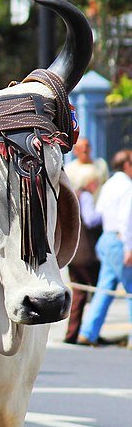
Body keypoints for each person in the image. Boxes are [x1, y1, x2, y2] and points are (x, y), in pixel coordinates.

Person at [78, 149, 132, 347]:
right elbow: (127, 220)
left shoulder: (108, 185)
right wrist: (129, 247)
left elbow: (99, 211)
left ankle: (88, 332)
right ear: (126, 165)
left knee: (104, 289)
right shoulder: (127, 186)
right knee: (130, 290)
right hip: (120, 239)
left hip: (107, 238)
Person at [63, 167, 103, 344]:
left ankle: (72, 333)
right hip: (86, 254)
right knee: (98, 292)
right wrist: (105, 214)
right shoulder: (85, 196)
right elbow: (90, 219)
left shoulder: (73, 194)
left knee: (79, 294)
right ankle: (89, 331)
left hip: (74, 253)